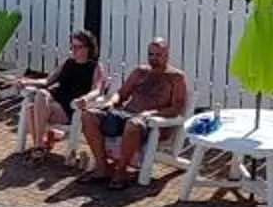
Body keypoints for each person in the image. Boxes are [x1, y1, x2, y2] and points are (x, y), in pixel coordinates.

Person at [82, 37, 192, 187]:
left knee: (133, 124)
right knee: (89, 115)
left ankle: (121, 172)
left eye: (158, 55)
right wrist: (111, 102)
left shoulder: (175, 77)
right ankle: (102, 168)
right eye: (151, 54)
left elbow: (176, 108)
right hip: (125, 116)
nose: (153, 58)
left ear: (167, 55)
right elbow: (121, 93)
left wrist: (151, 113)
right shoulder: (141, 71)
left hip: (152, 124)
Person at [15, 30, 104, 155]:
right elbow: (47, 80)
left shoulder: (95, 67)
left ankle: (39, 147)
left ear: (88, 48)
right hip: (54, 103)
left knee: (36, 103)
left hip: (71, 108)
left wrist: (85, 99)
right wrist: (26, 82)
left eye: (78, 47)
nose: (74, 50)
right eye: (72, 46)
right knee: (33, 104)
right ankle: (39, 147)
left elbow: (97, 89)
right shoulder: (68, 63)